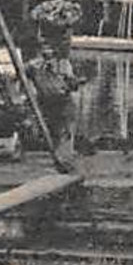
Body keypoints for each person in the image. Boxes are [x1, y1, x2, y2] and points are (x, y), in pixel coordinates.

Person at [25, 19, 89, 173]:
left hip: (56, 101)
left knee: (63, 130)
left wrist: (75, 82)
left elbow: (71, 84)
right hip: (49, 102)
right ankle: (61, 159)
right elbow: (21, 77)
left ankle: (63, 159)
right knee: (58, 129)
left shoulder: (61, 64)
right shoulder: (36, 65)